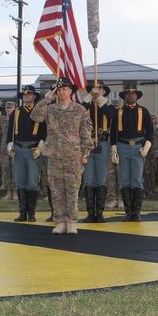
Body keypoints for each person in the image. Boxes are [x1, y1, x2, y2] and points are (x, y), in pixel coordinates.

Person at [30, 77, 93, 234]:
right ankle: (60, 221)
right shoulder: (51, 109)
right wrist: (46, 99)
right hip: (55, 156)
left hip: (73, 156)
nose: (61, 92)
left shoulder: (79, 110)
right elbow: (35, 116)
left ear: (70, 91)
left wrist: (86, 153)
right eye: (58, 89)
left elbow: (85, 133)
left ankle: (71, 221)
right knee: (57, 190)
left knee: (72, 189)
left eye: (64, 89)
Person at [112, 83, 154, 221]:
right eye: (128, 93)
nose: (131, 95)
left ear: (137, 96)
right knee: (125, 180)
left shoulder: (144, 111)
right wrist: (114, 150)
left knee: (136, 180)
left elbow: (150, 132)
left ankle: (136, 212)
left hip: (138, 148)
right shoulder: (118, 112)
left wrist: (146, 147)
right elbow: (113, 133)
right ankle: (127, 211)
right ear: (124, 96)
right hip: (123, 146)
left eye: (133, 93)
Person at [7, 85, 46, 222]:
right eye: (24, 94)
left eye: (29, 94)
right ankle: (22, 212)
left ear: (34, 96)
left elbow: (44, 132)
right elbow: (10, 131)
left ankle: (31, 212)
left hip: (33, 150)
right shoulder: (17, 112)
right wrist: (9, 145)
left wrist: (40, 147)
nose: (26, 96)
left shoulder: (40, 112)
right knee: (21, 181)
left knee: (32, 182)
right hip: (18, 149)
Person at [81, 81, 116, 223]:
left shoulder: (108, 107)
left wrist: (100, 101)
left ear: (103, 92)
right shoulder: (84, 107)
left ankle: (100, 212)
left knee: (101, 178)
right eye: (94, 90)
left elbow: (111, 115)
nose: (97, 92)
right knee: (89, 178)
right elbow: (78, 114)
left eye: (100, 89)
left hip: (103, 142)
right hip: (87, 143)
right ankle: (90, 212)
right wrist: (89, 99)